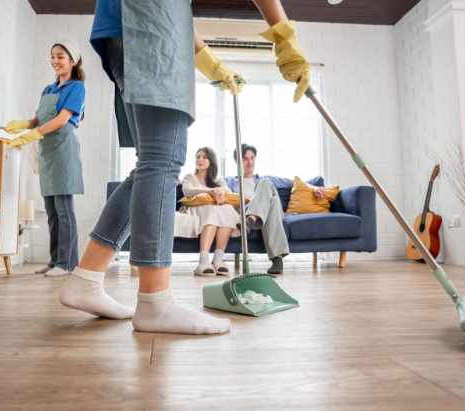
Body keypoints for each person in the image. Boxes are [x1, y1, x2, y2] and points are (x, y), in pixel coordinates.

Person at [56, 0, 312, 335]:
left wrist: (210, 61)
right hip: (150, 24)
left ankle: (86, 279)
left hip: (126, 24)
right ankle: (154, 303)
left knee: (150, 163)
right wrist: (283, 36)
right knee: (161, 161)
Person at [5, 41, 86, 277]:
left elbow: (62, 120)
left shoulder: (77, 87)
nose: (55, 61)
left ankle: (68, 263)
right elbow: (37, 120)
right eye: (52, 56)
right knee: (51, 211)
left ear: (73, 61)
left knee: (64, 209)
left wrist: (32, 134)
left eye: (60, 56)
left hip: (63, 149)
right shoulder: (48, 89)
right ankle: (54, 261)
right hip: (48, 151)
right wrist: (23, 125)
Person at [226, 144, 327, 274]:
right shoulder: (229, 181)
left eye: (252, 158)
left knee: (265, 182)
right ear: (237, 161)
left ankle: (250, 221)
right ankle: (277, 260)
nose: (249, 162)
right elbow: (216, 188)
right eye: (245, 158)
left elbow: (294, 182)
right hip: (250, 211)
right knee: (272, 201)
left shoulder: (264, 179)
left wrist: (315, 188)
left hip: (253, 218)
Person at [175, 148, 240, 276]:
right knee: (213, 210)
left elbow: (225, 190)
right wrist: (210, 191)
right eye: (198, 156)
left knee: (226, 209)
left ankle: (218, 259)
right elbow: (187, 190)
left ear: (211, 161)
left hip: (215, 209)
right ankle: (203, 260)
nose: (200, 160)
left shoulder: (219, 181)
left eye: (204, 157)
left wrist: (217, 191)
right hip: (196, 208)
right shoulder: (190, 177)